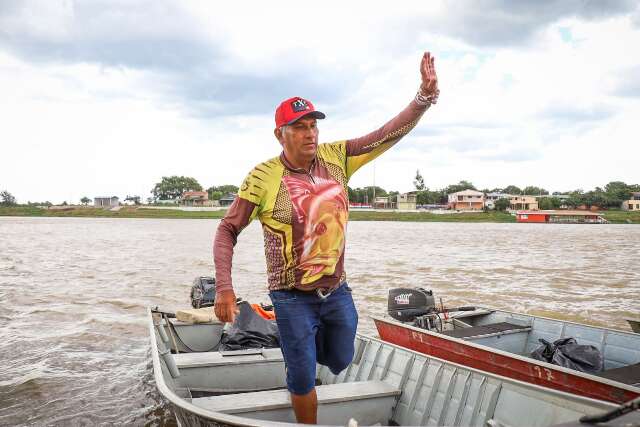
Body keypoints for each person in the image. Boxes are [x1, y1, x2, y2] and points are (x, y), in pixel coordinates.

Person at [213, 51, 439, 424]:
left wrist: (423, 98)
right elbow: (227, 229)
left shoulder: (338, 158)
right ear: (280, 134)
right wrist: (224, 287)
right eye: (300, 127)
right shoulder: (263, 177)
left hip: (337, 292)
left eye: (313, 125)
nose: (310, 133)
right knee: (302, 376)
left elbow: (387, 134)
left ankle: (301, 344)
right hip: (290, 297)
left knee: (340, 358)